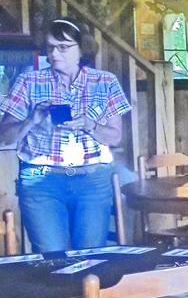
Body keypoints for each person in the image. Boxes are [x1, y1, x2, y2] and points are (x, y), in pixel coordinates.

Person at [0, 18, 131, 252]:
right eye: (50, 47)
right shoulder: (29, 81)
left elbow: (115, 137)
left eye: (63, 47)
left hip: (92, 181)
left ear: (82, 48)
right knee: (52, 258)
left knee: (90, 257)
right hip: (42, 182)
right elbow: (5, 137)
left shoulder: (105, 82)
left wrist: (90, 125)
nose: (54, 54)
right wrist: (32, 120)